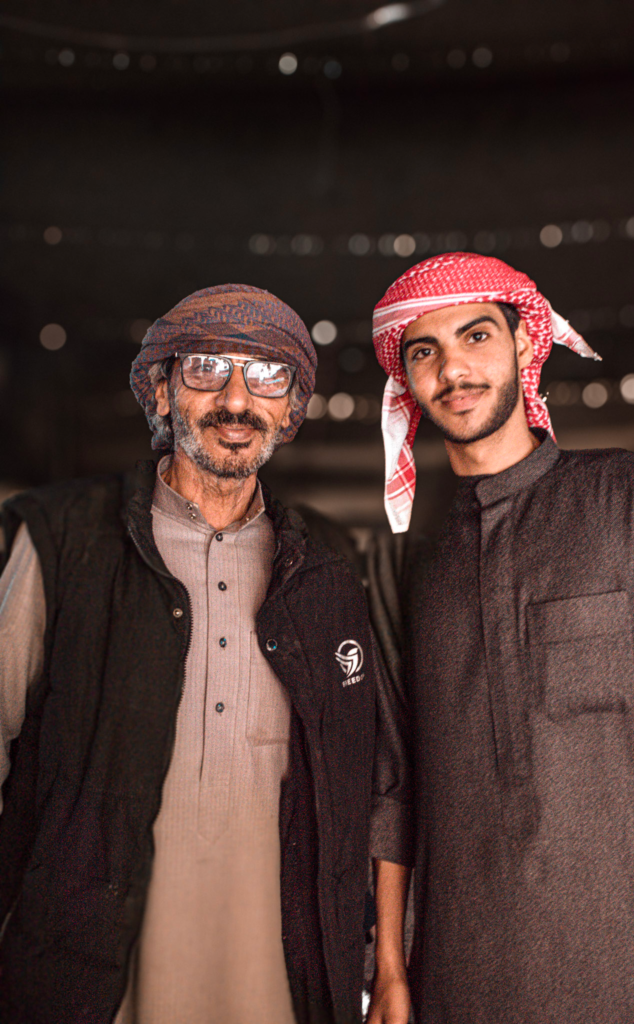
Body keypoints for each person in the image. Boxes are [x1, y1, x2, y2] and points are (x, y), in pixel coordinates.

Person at [0, 284, 383, 1024]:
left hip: (275, 986)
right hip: (82, 980)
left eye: (268, 375)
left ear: (291, 407)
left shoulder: (327, 570)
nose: (236, 399)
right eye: (208, 367)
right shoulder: (65, 541)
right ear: (163, 389)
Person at [366, 252, 634, 1024]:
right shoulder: (401, 556)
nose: (453, 369)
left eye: (476, 336)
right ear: (405, 381)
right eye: (424, 352)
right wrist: (390, 972)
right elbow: (393, 781)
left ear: (523, 345)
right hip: (459, 973)